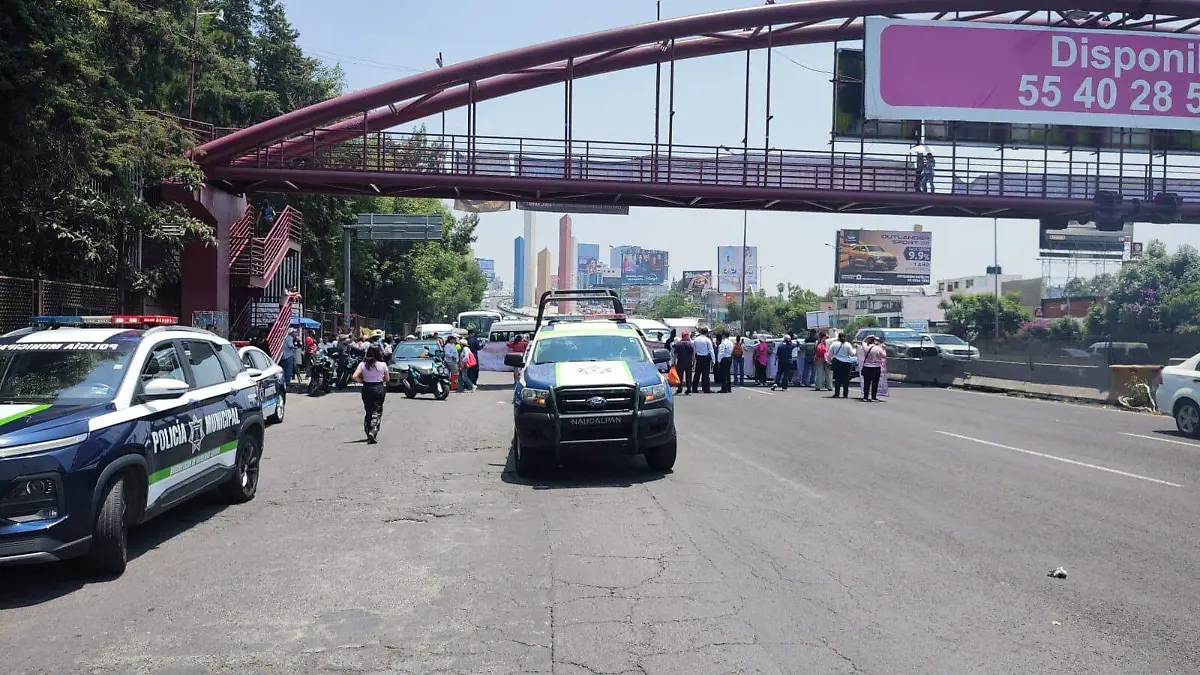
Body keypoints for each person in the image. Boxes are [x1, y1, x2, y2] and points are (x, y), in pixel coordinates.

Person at [351, 344, 390, 444]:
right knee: (377, 409)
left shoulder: (362, 365)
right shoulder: (383, 365)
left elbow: (354, 377)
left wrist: (363, 381)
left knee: (368, 410)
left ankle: (368, 430)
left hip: (367, 388)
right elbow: (387, 379)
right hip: (379, 388)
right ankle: (373, 430)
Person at [828, 332, 856, 399]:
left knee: (837, 378)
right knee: (846, 379)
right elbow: (852, 354)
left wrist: (829, 362)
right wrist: (855, 349)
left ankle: (837, 393)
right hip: (847, 363)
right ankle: (845, 394)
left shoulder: (834, 344)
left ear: (838, 337)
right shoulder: (848, 344)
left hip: (837, 362)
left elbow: (830, 354)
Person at [858, 335, 886, 402]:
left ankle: (865, 397)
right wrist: (884, 348)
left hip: (867, 367)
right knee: (875, 383)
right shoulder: (878, 348)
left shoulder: (866, 347)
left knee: (866, 383)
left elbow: (863, 342)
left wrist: (867, 337)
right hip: (876, 367)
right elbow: (884, 356)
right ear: (874, 341)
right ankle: (873, 397)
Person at [691, 327, 714, 394]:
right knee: (706, 374)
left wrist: (694, 358)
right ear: (707, 333)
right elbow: (711, 350)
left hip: (698, 357)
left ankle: (694, 388)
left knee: (697, 374)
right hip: (705, 358)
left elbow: (694, 350)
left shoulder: (696, 339)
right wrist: (713, 360)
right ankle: (706, 388)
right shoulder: (707, 340)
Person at [672, 331, 695, 395]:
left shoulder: (678, 344)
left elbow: (675, 355)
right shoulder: (690, 344)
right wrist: (694, 363)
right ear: (686, 336)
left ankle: (679, 389)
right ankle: (689, 389)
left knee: (680, 376)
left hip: (680, 362)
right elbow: (693, 355)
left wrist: (674, 362)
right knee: (689, 377)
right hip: (688, 362)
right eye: (688, 335)